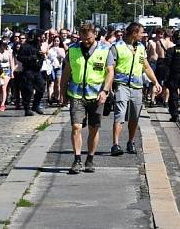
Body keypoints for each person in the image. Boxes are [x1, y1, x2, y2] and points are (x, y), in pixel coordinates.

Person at [61, 24, 113, 174]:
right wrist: (62, 93)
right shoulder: (72, 49)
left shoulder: (105, 50)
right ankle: (77, 160)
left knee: (93, 128)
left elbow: (110, 72)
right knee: (76, 127)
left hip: (97, 96)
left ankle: (90, 158)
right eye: (82, 38)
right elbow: (66, 73)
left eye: (88, 38)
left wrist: (105, 91)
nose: (85, 41)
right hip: (76, 95)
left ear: (95, 35)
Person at [107, 22, 162, 155]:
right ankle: (115, 144)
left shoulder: (141, 48)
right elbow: (110, 68)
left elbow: (146, 66)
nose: (143, 35)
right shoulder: (117, 47)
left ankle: (130, 142)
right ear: (134, 33)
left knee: (134, 116)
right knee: (119, 114)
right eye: (141, 32)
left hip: (137, 86)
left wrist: (155, 82)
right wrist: (108, 86)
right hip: (122, 85)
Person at [17, 29, 47, 116]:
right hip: (28, 71)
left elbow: (40, 56)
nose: (42, 38)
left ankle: (35, 105)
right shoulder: (25, 46)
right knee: (28, 90)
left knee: (41, 87)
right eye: (40, 36)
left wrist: (41, 56)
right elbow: (19, 57)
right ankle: (27, 109)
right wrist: (31, 58)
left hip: (37, 71)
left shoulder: (38, 46)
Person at [0, 37, 14, 111]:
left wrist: (12, 72)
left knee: (3, 87)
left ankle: (3, 104)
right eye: (2, 45)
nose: (4, 46)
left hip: (6, 70)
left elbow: (11, 62)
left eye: (5, 45)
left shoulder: (9, 51)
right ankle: (0, 101)